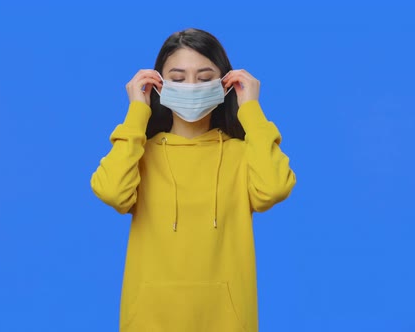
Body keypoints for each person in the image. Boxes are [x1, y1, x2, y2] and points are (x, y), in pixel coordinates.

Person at [91, 28, 296, 332]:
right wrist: (137, 111)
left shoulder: (242, 154)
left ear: (226, 84)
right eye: (177, 78)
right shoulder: (139, 155)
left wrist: (251, 109)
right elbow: (111, 192)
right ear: (157, 85)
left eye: (203, 78)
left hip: (226, 322)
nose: (191, 87)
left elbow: (274, 188)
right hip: (149, 321)